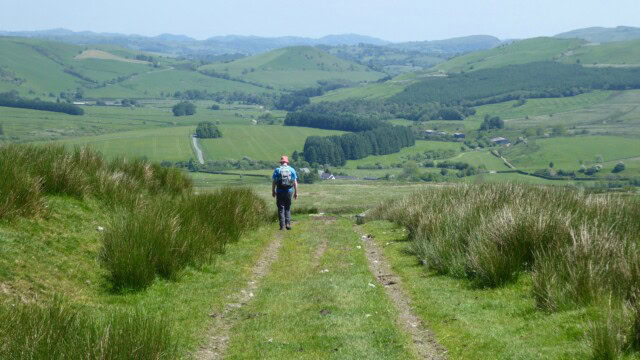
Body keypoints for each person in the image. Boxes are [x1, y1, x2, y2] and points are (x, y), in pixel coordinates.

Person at [272, 155, 298, 230]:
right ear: (287, 162)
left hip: (280, 191)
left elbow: (274, 182)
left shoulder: (277, 170)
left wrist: (273, 191)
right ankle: (288, 224)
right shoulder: (292, 170)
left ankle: (282, 226)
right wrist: (296, 193)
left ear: (281, 162)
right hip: (289, 191)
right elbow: (295, 182)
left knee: (281, 208)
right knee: (288, 208)